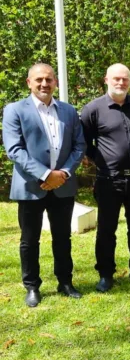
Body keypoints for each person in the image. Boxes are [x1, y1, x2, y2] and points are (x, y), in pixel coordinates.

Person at [3, 63, 85, 307]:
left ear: (55, 83)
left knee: (62, 237)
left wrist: (64, 173)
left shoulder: (69, 111)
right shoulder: (14, 110)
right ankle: (32, 286)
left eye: (49, 79)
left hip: (64, 185)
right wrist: (46, 174)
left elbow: (79, 146)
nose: (44, 84)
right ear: (29, 82)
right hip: (30, 187)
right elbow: (14, 149)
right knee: (30, 240)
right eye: (38, 79)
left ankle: (65, 282)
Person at [81, 63, 130, 292]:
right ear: (106, 80)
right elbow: (84, 143)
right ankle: (105, 273)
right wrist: (101, 159)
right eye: (116, 79)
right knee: (106, 229)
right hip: (108, 180)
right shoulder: (92, 109)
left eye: (125, 79)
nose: (121, 83)